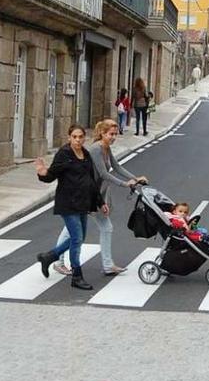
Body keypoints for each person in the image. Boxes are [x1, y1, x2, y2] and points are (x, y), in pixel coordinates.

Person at [49, 119, 148, 277]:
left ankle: (62, 261)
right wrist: (125, 184)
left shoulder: (106, 148)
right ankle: (61, 262)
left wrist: (135, 179)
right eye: (111, 134)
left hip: (96, 194)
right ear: (102, 133)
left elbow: (116, 166)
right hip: (88, 195)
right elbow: (103, 174)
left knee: (73, 229)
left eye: (115, 134)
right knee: (80, 230)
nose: (114, 137)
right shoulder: (96, 149)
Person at [35, 124, 107, 290]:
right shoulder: (64, 154)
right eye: (74, 137)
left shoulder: (86, 154)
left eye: (80, 137)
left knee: (79, 238)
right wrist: (41, 172)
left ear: (84, 138)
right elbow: (51, 175)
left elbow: (91, 181)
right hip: (67, 203)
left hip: (83, 203)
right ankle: (77, 276)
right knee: (76, 239)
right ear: (69, 137)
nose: (78, 140)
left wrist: (100, 202)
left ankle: (48, 257)